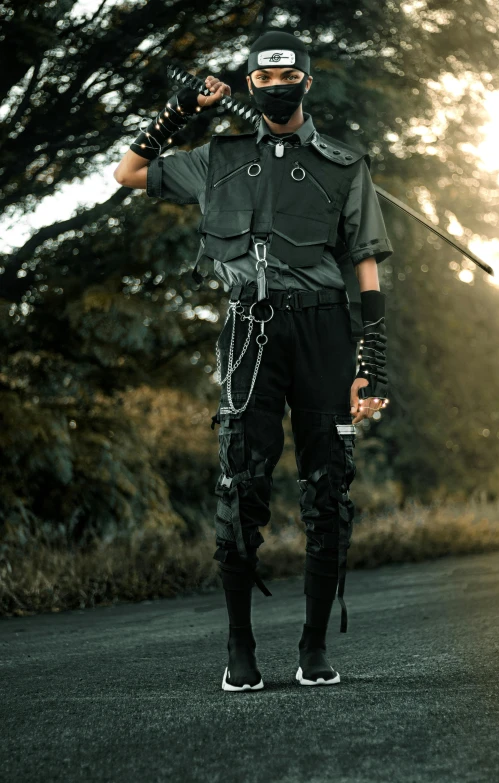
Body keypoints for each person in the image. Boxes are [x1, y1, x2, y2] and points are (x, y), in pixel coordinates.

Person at [114, 30, 393, 692]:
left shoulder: (344, 165)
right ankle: (240, 648)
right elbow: (127, 172)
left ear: (306, 82)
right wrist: (175, 113)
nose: (277, 89)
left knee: (330, 491)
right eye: (263, 81)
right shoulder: (216, 157)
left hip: (325, 331)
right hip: (249, 333)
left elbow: (367, 265)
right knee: (240, 489)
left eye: (287, 77)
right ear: (250, 87)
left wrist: (370, 361)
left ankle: (314, 645)